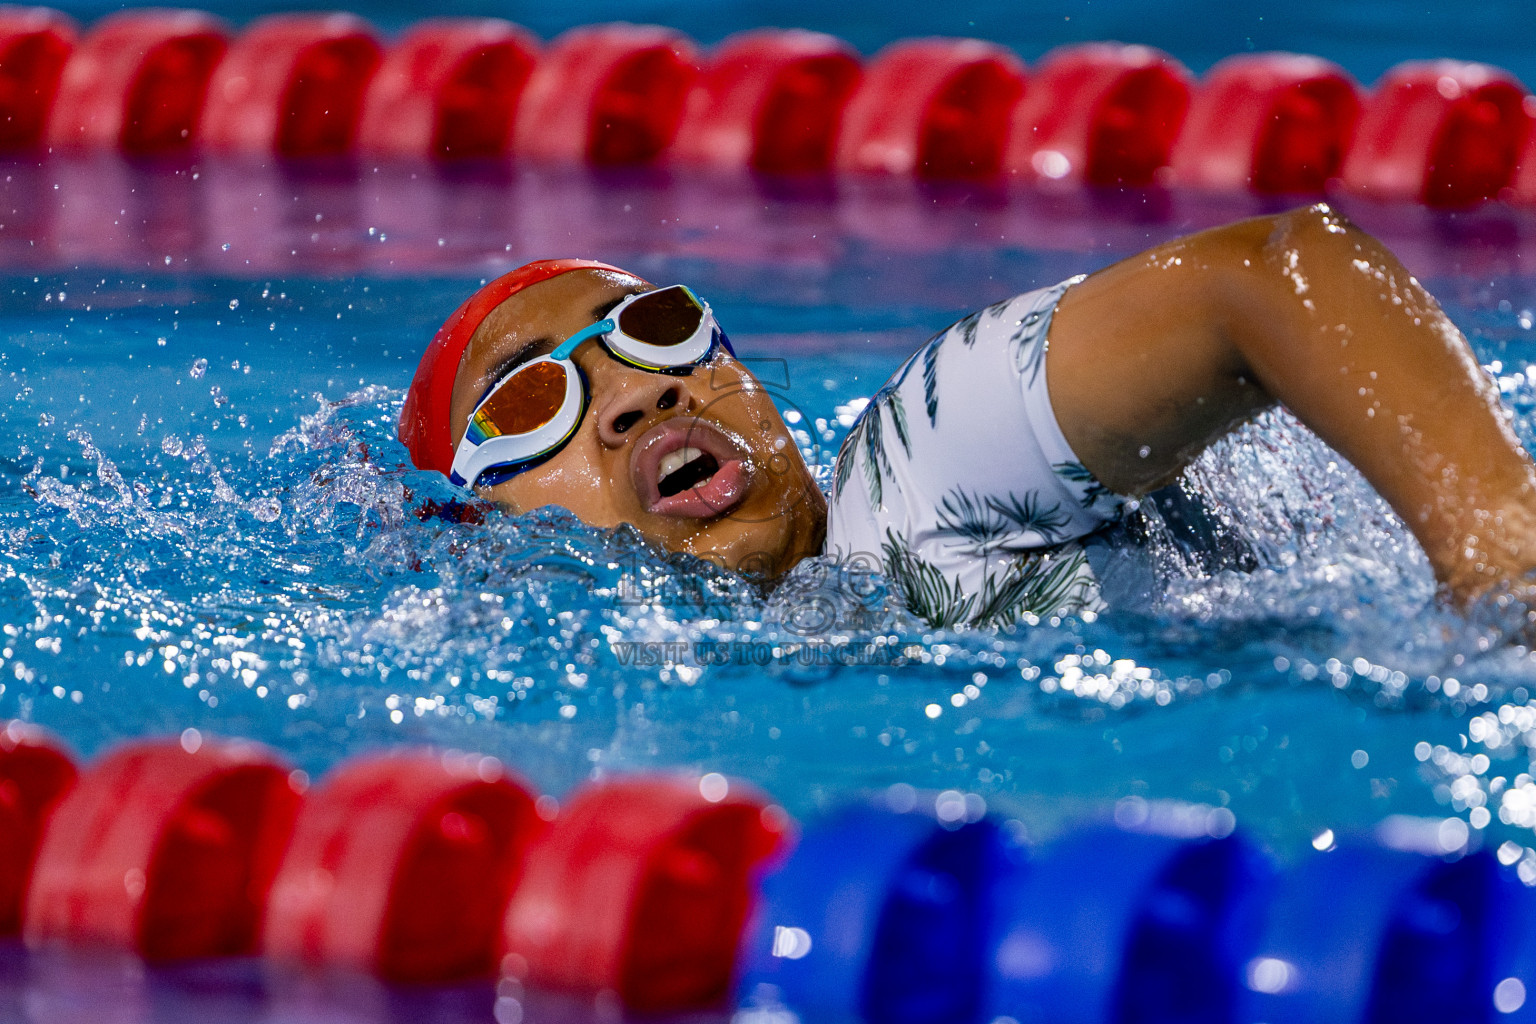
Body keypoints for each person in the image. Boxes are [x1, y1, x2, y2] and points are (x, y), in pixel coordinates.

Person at [397, 204, 1536, 628]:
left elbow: (1283, 272)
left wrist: (1501, 567)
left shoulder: (921, 465)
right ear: (480, 533)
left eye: (655, 329)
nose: (639, 391)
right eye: (536, 395)